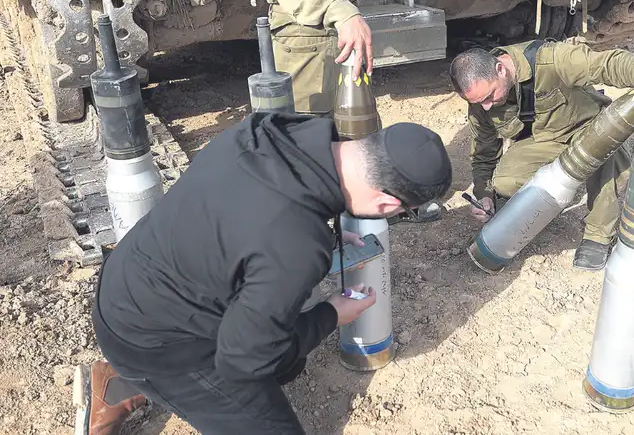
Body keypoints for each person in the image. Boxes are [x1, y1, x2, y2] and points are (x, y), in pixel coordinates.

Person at [82, 113, 452, 434]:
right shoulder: (298, 247)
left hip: (127, 282)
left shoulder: (272, 132)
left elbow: (263, 215)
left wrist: (329, 228)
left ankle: (131, 376)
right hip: (155, 343)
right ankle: (121, 383)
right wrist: (331, 315)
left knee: (285, 346)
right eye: (400, 212)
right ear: (387, 204)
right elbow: (245, 359)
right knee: (273, 358)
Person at [449, 38, 634, 271]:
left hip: (587, 127)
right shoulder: (480, 102)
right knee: (505, 183)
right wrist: (483, 193)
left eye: (489, 97)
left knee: (608, 151)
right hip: (544, 141)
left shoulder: (552, 60)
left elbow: (608, 64)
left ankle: (598, 235)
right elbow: (483, 152)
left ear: (500, 68)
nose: (486, 106)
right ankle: (537, 205)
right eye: (478, 102)